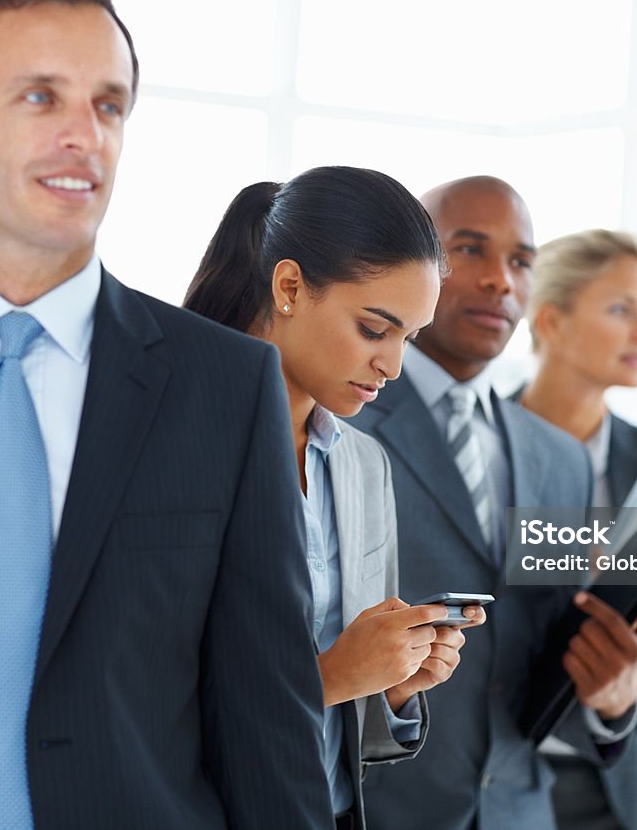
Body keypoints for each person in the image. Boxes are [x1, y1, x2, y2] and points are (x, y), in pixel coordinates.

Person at [0, 0, 332, 828]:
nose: (84, 135)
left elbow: (267, 720)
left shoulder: (226, 387)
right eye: (39, 96)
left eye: (109, 104)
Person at [351, 176, 637, 830]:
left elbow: (538, 666)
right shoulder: (344, 423)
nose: (500, 280)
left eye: (521, 261)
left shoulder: (560, 460)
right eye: (469, 250)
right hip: (381, 812)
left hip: (521, 811)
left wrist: (613, 699)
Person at [184, 166, 486, 829]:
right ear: (289, 286)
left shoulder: (362, 465)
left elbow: (346, 738)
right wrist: (331, 676)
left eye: (409, 337)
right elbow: (130, 709)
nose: (394, 366)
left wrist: (393, 687)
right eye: (376, 329)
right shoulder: (171, 445)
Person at [519, 228, 637, 830]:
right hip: (484, 783)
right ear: (550, 321)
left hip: (611, 794)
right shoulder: (475, 449)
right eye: (621, 309)